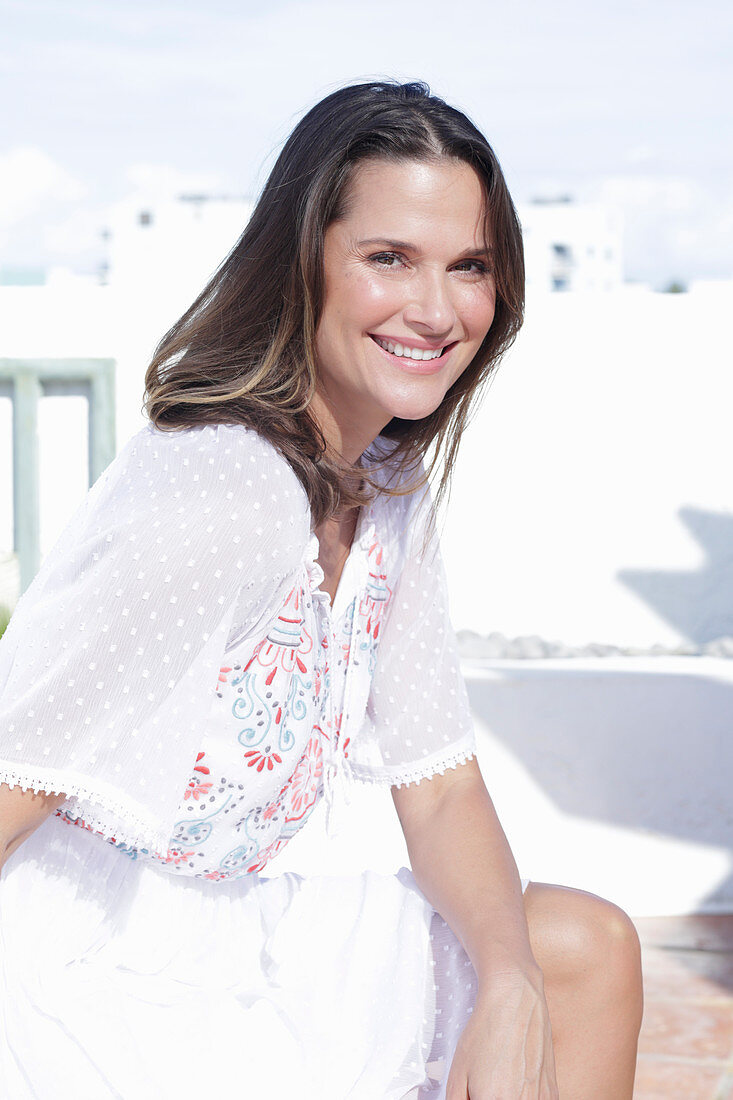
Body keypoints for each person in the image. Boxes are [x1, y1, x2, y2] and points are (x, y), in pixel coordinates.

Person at [0, 80, 643, 1099]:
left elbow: (436, 786)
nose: (437, 310)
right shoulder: (218, 489)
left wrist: (509, 982)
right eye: (388, 258)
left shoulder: (382, 478)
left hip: (238, 928)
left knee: (577, 952)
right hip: (87, 968)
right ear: (303, 263)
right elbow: (12, 779)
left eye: (468, 266)